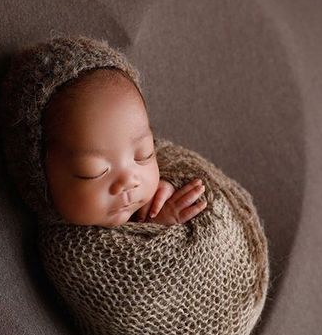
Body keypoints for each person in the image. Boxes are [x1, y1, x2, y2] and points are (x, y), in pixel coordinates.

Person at [42, 66, 207, 227]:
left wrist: (171, 186)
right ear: (41, 172)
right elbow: (126, 254)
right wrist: (156, 225)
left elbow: (194, 173)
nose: (129, 181)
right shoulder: (69, 247)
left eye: (144, 155)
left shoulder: (164, 162)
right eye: (93, 172)